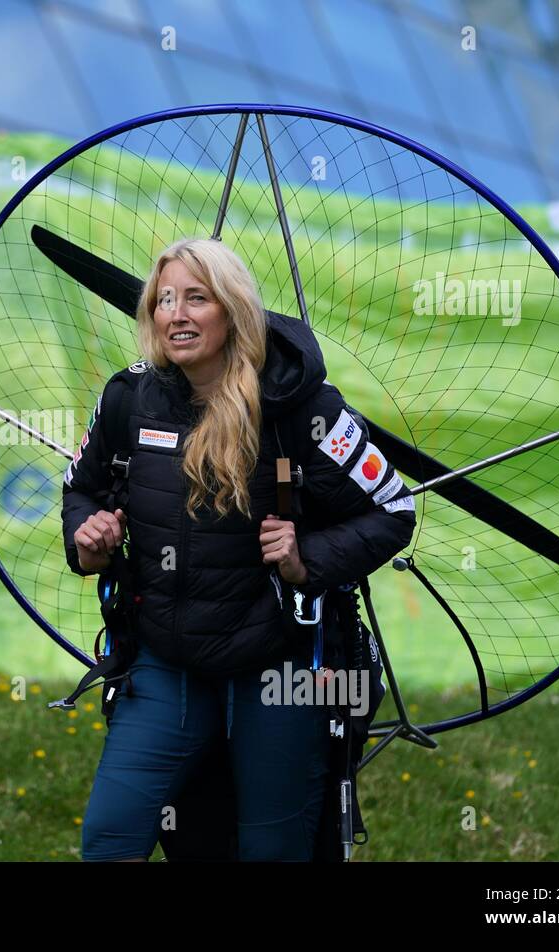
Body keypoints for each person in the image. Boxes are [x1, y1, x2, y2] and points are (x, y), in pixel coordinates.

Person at [61, 237, 416, 862]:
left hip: (279, 667)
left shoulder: (301, 410)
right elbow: (82, 490)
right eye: (164, 299)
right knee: (110, 836)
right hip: (165, 660)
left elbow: (393, 509)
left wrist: (306, 556)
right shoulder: (128, 398)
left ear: (232, 311)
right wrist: (88, 539)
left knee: (273, 849)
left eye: (197, 298)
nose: (177, 314)